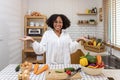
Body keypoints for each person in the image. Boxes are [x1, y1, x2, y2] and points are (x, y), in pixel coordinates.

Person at [20, 14, 87, 64]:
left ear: (63, 23)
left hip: (65, 66)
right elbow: (41, 49)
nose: (58, 24)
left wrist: (78, 39)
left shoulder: (66, 35)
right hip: (51, 66)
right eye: (55, 22)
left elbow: (71, 49)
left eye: (60, 22)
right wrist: (32, 40)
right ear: (52, 23)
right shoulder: (47, 34)